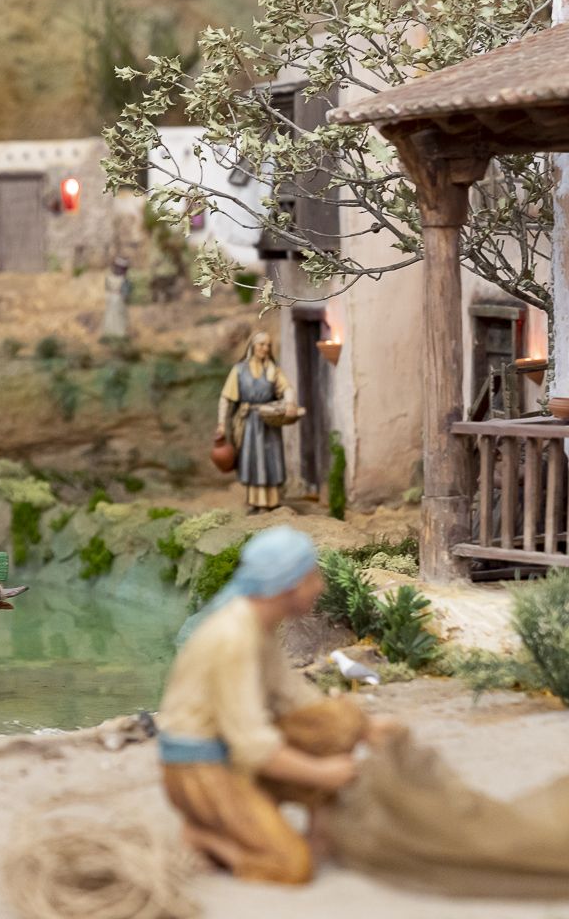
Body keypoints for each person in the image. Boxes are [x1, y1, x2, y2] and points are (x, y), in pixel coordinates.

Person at [157, 527, 395, 884]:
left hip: (233, 753)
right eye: (312, 576)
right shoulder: (232, 638)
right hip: (201, 769)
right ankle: (208, 837)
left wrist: (365, 727)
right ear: (289, 586)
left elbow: (295, 698)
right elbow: (252, 745)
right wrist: (322, 773)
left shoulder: (259, 625)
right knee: (290, 866)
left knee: (340, 718)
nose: (320, 586)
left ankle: (317, 826)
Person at [215, 331, 297, 514]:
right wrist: (221, 423)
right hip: (249, 423)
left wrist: (290, 402)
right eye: (262, 344)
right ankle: (254, 501)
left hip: (268, 421)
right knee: (251, 458)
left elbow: (287, 388)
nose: (265, 348)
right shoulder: (239, 370)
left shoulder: (272, 369)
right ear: (253, 346)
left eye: (268, 345)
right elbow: (225, 398)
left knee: (271, 458)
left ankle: (272, 501)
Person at [102, 256, 132, 341]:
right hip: (114, 299)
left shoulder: (124, 280)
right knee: (111, 316)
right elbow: (107, 288)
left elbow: (126, 292)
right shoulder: (111, 278)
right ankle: (112, 334)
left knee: (118, 316)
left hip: (117, 299)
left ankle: (118, 335)